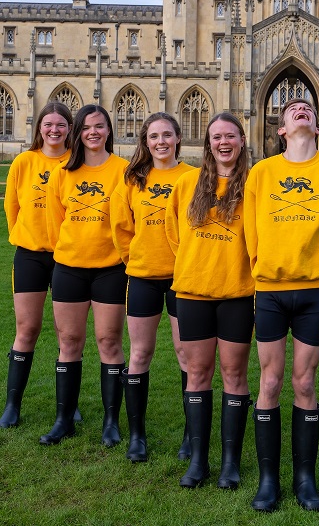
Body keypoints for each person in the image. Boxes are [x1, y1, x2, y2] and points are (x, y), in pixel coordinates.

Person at [243, 98, 319, 512]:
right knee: (270, 382)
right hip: (271, 288)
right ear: (281, 129)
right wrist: (261, 268)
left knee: (305, 383)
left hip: (314, 291)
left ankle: (305, 479)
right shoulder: (263, 171)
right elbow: (250, 228)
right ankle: (269, 480)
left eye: (308, 108)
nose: (301, 110)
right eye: (292, 110)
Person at [165, 112, 255, 489]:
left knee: (234, 375)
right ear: (207, 143)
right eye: (216, 136)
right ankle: (199, 460)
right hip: (193, 291)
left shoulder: (254, 184)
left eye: (230, 136)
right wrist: (195, 263)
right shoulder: (187, 184)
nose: (223, 142)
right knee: (198, 374)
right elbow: (173, 234)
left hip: (237, 292)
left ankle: (230, 463)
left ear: (241, 141)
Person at [39, 104, 130, 446]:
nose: (93, 132)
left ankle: (111, 422)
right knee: (69, 343)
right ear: (77, 133)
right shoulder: (63, 173)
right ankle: (64, 419)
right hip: (69, 270)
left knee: (109, 342)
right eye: (87, 127)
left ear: (109, 130)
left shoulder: (123, 170)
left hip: (110, 270)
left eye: (100, 126)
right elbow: (53, 226)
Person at [111, 112, 196, 463]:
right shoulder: (133, 179)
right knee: (139, 354)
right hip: (144, 276)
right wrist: (136, 258)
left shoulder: (193, 177)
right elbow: (121, 227)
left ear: (178, 138)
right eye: (154, 136)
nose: (160, 141)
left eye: (167, 135)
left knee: (187, 356)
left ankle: (192, 435)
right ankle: (137, 436)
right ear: (145, 142)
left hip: (183, 278)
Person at [0, 101, 73, 429]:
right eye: (48, 124)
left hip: (68, 258)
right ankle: (12, 406)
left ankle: (67, 405)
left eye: (60, 125)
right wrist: (23, 234)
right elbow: (11, 205)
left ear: (70, 129)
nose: (54, 130)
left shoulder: (76, 163)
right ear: (39, 127)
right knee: (26, 329)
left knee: (66, 334)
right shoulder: (24, 162)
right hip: (29, 255)